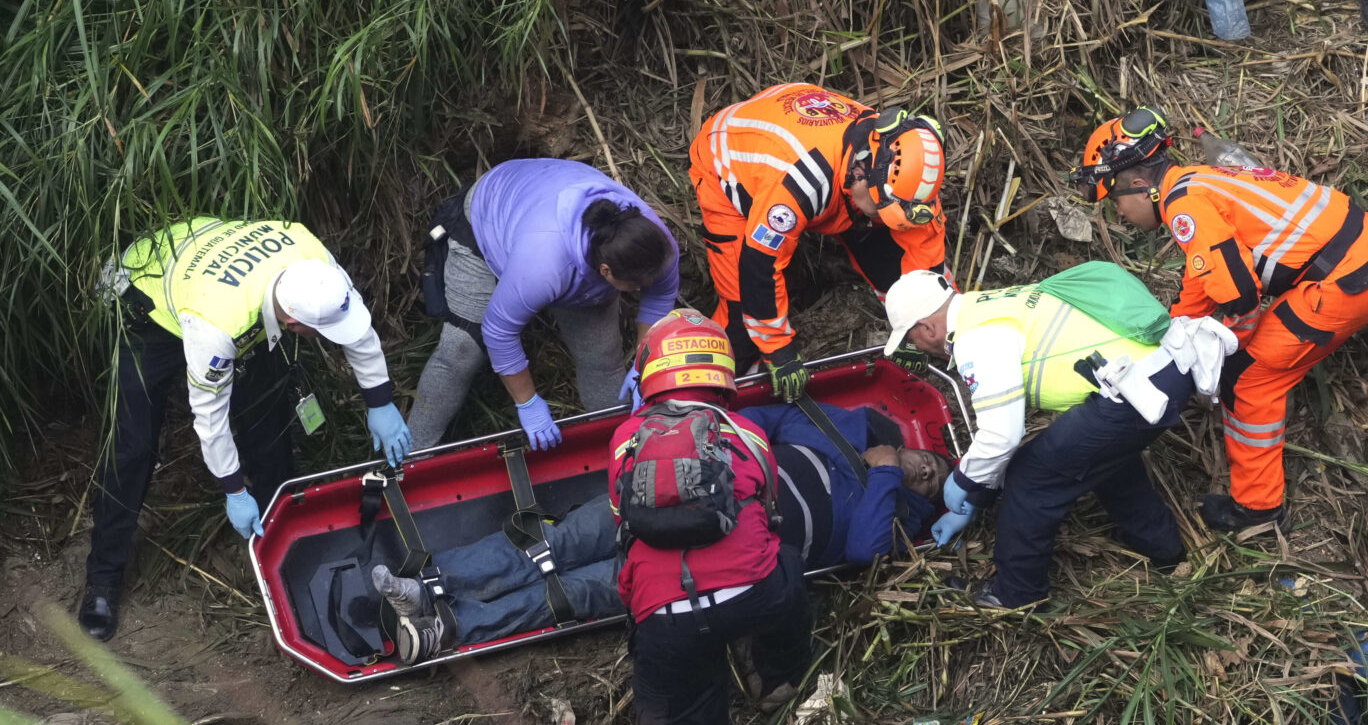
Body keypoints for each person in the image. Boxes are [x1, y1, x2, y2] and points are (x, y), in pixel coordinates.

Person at [1078, 111, 1368, 530]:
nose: (1120, 214)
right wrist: (1181, 323)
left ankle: (1257, 508)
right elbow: (1205, 268)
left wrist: (1227, 351)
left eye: (1115, 202)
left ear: (1136, 184)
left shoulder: (1183, 207)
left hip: (1342, 286)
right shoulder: (1201, 179)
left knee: (1246, 379)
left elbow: (1241, 296)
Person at [369, 399, 944, 660]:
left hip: (718, 553)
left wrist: (888, 476)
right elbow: (749, 423)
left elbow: (865, 548)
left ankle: (448, 628)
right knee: (556, 543)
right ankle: (431, 585)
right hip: (674, 493)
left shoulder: (888, 511)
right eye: (930, 462)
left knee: (574, 590)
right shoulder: (837, 424)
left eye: (932, 482)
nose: (925, 471)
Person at [79, 219, 409, 642]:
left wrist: (380, 401)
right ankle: (103, 577)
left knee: (267, 416)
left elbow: (356, 328)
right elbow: (209, 417)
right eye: (318, 333)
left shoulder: (312, 258)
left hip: (213, 273)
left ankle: (285, 543)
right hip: (147, 297)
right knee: (134, 446)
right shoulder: (218, 326)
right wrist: (234, 491)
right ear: (292, 322)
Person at [879, 264, 1235, 609]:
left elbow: (1003, 435)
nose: (919, 348)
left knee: (1032, 477)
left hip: (1136, 389)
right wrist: (981, 491)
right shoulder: (992, 303)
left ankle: (1015, 595)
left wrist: (964, 481)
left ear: (926, 328)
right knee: (1102, 459)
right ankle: (1166, 553)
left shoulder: (977, 338)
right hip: (1164, 370)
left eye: (911, 340)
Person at [606, 309, 814, 725]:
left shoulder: (624, 441)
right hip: (754, 595)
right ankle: (777, 679)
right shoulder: (747, 432)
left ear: (649, 371)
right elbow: (769, 509)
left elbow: (622, 521)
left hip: (666, 619)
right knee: (787, 569)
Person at [404, 158, 682, 453]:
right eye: (635, 288)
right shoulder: (544, 265)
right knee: (460, 351)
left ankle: (624, 453)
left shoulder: (656, 245)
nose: (641, 291)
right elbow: (498, 331)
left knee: (602, 359)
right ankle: (409, 459)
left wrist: (645, 365)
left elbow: (658, 301)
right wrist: (528, 403)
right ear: (606, 271)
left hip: (548, 214)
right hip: (486, 223)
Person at [690, 84, 949, 399]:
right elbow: (759, 263)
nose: (882, 221)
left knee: (889, 260)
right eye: (882, 212)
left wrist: (921, 325)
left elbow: (927, 259)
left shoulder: (910, 176)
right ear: (863, 173)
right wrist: (777, 350)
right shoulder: (800, 182)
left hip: (816, 147)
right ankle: (704, 392)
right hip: (730, 162)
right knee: (741, 316)